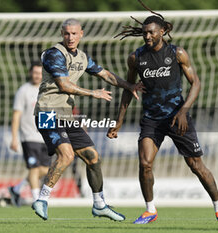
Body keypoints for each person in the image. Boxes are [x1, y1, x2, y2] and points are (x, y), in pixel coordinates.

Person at [107, 7, 218, 224]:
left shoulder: (177, 53)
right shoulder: (136, 57)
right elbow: (130, 89)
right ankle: (150, 210)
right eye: (145, 32)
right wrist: (118, 122)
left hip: (177, 117)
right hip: (151, 119)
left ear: (162, 31)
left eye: (152, 32)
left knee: (196, 165)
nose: (147, 36)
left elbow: (196, 83)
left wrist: (183, 111)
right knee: (145, 163)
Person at [32, 18, 144, 221]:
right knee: (66, 156)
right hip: (47, 112)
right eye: (67, 33)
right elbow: (64, 85)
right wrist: (93, 93)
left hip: (65, 114)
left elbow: (105, 74)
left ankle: (99, 204)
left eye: (74, 33)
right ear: (61, 33)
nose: (70, 37)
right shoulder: (53, 54)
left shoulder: (82, 57)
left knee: (93, 157)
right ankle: (42, 199)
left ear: (81, 34)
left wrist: (129, 86)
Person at [8, 61, 52, 206]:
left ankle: (17, 188)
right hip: (28, 137)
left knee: (46, 170)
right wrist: (14, 138)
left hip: (45, 137)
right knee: (33, 168)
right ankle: (37, 200)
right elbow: (16, 115)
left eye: (40, 73)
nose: (37, 75)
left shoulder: (47, 90)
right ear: (30, 73)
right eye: (35, 72)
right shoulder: (24, 91)